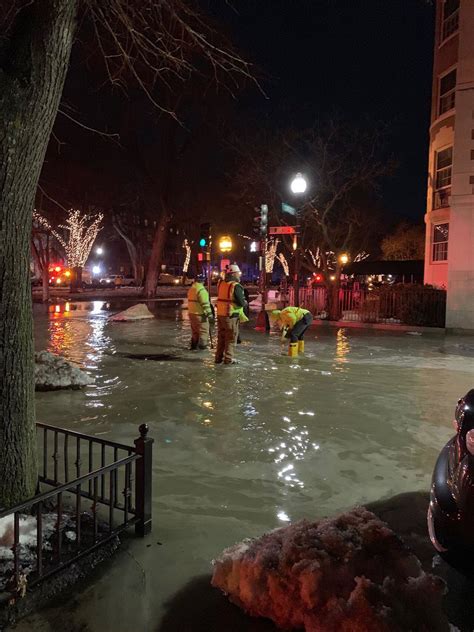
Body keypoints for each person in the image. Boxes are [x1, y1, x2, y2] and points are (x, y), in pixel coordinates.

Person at [215, 264, 248, 365]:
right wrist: (245, 302)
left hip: (220, 315)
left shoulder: (221, 284)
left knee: (221, 337)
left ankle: (218, 358)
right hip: (230, 315)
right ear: (234, 274)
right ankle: (228, 359)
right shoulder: (236, 286)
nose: (239, 275)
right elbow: (241, 302)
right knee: (230, 338)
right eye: (238, 273)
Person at [187, 274, 213, 350]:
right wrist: (210, 315)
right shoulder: (201, 290)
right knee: (203, 331)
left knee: (195, 332)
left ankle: (193, 347)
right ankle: (202, 348)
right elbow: (205, 304)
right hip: (200, 315)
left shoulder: (192, 288)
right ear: (203, 281)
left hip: (191, 314)